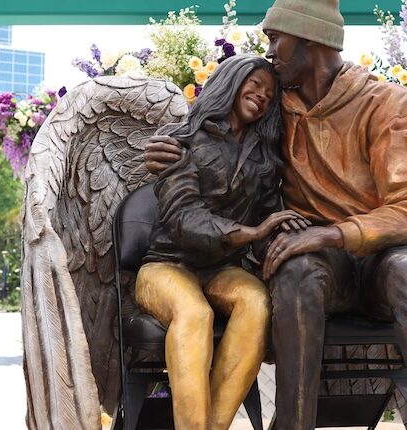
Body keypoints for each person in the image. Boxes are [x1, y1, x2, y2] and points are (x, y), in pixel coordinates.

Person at [144, 1, 407, 429]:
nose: (270, 50)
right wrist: (172, 142)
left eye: (276, 39)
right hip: (317, 266)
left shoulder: (387, 103)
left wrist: (330, 235)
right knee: (295, 270)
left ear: (309, 40)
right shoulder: (276, 108)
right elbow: (219, 126)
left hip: (381, 261)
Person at [136, 54, 308, 430]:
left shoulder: (265, 159)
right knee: (195, 313)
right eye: (255, 85)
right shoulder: (183, 138)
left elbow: (268, 219)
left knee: (257, 301)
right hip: (166, 264)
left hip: (222, 268)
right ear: (231, 81)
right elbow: (184, 219)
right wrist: (251, 234)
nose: (262, 96)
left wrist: (288, 240)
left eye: (269, 93)